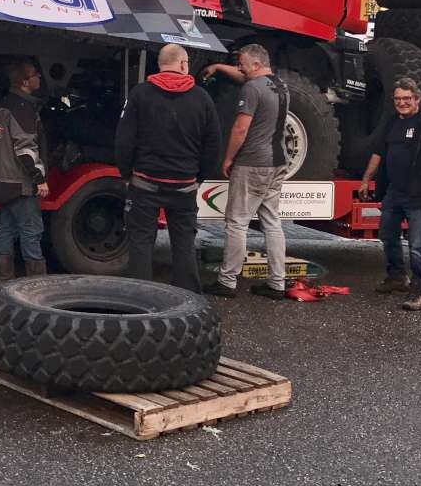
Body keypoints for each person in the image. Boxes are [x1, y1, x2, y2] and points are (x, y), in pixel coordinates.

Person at [115, 43, 221, 291]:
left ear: (160, 64)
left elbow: (124, 139)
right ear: (183, 64)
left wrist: (126, 173)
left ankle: (139, 300)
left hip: (145, 182)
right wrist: (199, 177)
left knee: (141, 243)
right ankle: (187, 299)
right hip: (184, 184)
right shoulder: (202, 98)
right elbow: (214, 144)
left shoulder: (140, 94)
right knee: (184, 244)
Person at [200, 44, 290, 300]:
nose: (239, 68)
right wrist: (218, 67)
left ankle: (227, 281)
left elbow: (240, 128)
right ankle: (277, 283)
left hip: (253, 163)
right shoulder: (280, 85)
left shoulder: (252, 89)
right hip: (278, 161)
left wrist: (228, 158)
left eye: (242, 63)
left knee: (237, 222)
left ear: (257, 65)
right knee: (272, 223)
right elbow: (245, 76)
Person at [359, 77, 421, 312]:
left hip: (419, 196)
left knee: (417, 246)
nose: (402, 103)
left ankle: (419, 290)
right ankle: (397, 276)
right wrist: (366, 179)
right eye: (398, 99)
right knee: (387, 236)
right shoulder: (391, 122)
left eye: (407, 98)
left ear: (417, 99)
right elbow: (378, 152)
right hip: (394, 193)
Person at [0, 59, 49, 281]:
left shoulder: (4, 104)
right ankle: (36, 285)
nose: (39, 77)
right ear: (24, 82)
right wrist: (39, 178)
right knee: (32, 232)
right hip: (19, 183)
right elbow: (25, 150)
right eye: (35, 74)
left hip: (1, 180)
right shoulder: (22, 109)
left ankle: (5, 280)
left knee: (7, 230)